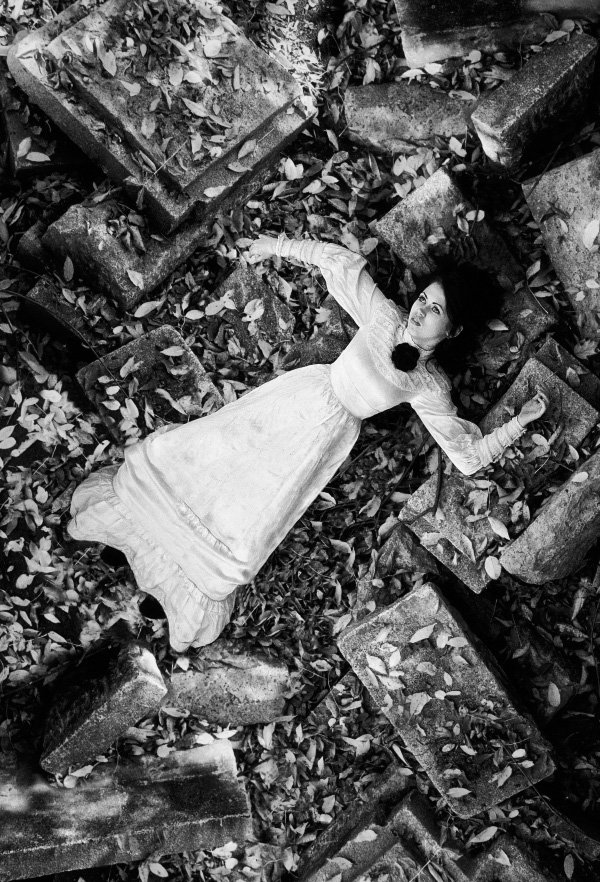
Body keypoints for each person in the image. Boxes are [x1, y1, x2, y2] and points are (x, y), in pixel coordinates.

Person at [67, 234, 549, 652]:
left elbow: (466, 456)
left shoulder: (429, 385)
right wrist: (274, 246)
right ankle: (131, 529)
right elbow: (340, 263)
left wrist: (519, 423)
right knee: (210, 455)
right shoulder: (384, 316)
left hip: (323, 440)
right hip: (296, 397)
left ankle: (174, 582)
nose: (421, 309)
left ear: (453, 330)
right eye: (424, 298)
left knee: (251, 504)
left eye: (435, 309)